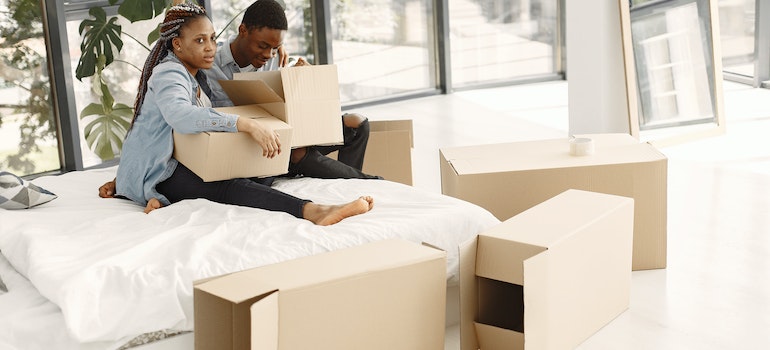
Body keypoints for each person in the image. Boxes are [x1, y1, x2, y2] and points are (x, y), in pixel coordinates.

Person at [104, 2, 372, 225]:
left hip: (166, 165)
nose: (210, 47)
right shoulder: (169, 73)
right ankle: (313, 211)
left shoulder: (193, 75)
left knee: (259, 164)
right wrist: (245, 124)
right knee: (231, 185)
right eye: (200, 40)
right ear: (177, 45)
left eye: (212, 39)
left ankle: (157, 198)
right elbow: (180, 116)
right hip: (163, 172)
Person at [204, 0, 380, 180]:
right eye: (263, 46)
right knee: (298, 153)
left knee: (357, 123)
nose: (268, 55)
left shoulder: (277, 59)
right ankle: (369, 183)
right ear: (243, 31)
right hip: (250, 147)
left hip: (287, 136)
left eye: (275, 48)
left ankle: (348, 188)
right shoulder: (208, 65)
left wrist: (304, 78)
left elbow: (293, 106)